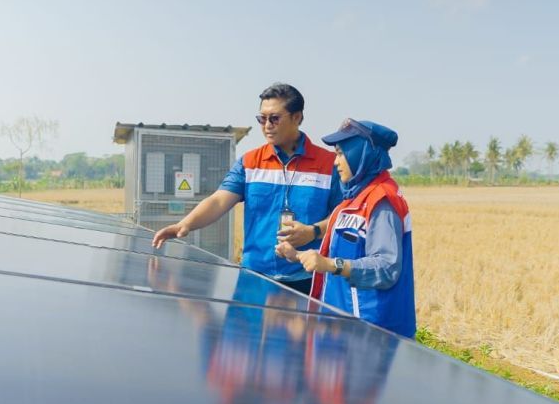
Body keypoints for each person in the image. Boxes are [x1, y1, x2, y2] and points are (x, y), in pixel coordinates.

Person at [152, 83, 342, 294]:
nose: (267, 125)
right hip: (254, 278)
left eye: (274, 118)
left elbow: (342, 217)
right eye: (262, 118)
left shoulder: (329, 165)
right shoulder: (250, 162)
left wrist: (313, 232)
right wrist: (184, 224)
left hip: (307, 280)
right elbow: (218, 200)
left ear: (297, 117)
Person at [276, 118, 416, 338]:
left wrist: (331, 265)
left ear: (362, 154)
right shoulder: (350, 200)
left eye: (341, 153)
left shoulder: (382, 200)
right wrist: (297, 256)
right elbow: (338, 256)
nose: (335, 162)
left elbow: (386, 267)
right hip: (342, 326)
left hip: (373, 331)